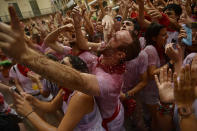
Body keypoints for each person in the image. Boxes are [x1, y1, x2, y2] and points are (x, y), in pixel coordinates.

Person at [0, 6, 141, 131]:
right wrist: (79, 26)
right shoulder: (108, 49)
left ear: (120, 54)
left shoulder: (110, 82)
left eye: (115, 37)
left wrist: (25, 55)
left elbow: (78, 80)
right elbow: (85, 44)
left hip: (110, 123)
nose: (110, 36)